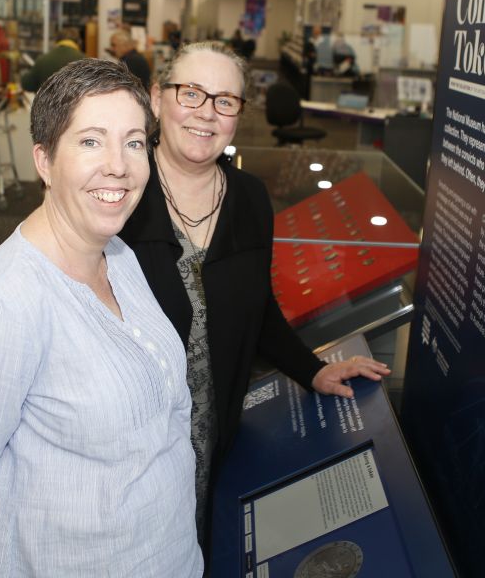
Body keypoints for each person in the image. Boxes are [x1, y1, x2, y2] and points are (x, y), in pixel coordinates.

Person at [0, 59, 202, 578]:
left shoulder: (119, 256)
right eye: (90, 141)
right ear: (44, 160)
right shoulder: (6, 303)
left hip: (167, 555)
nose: (118, 165)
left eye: (134, 142)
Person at [118, 40, 391, 550]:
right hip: (128, 458)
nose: (207, 113)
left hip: (214, 441)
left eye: (225, 101)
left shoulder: (249, 199)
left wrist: (312, 368)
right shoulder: (119, 194)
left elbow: (257, 308)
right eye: (192, 93)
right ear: (157, 99)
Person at [19, 27, 85, 92]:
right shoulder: (84, 61)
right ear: (79, 42)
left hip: (46, 102)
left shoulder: (43, 59)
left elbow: (27, 84)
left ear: (56, 41)